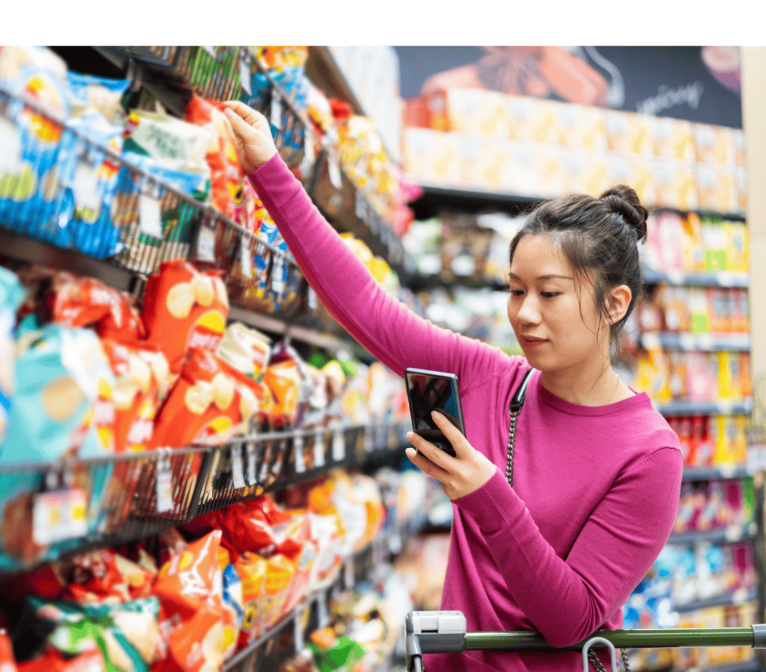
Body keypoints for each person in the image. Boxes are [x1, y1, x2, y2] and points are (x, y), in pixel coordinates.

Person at [223, 101, 682, 672]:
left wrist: (486, 495)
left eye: (550, 292)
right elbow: (367, 307)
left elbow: (573, 622)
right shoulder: (491, 377)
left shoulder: (650, 453)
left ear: (614, 304)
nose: (526, 315)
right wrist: (270, 168)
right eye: (516, 291)